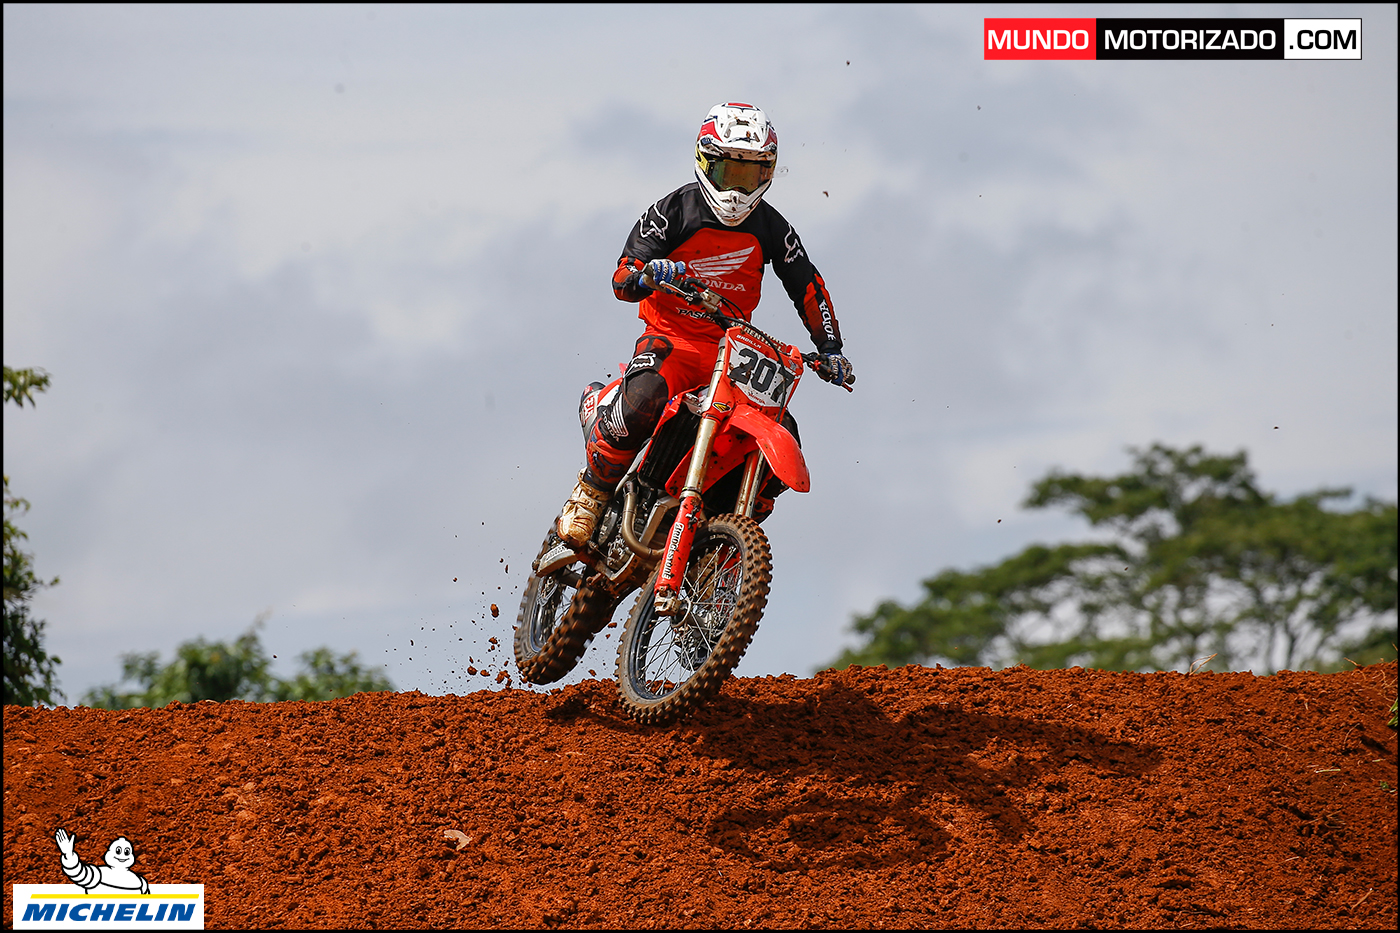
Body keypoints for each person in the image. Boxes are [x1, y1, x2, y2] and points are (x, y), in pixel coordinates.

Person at [557, 101, 854, 548]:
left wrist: (830, 348)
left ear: (767, 173)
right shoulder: (673, 211)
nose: (737, 188)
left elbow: (806, 283)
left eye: (748, 175)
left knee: (785, 432)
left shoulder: (773, 227)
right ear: (705, 161)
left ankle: (720, 544)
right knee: (644, 398)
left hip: (734, 354)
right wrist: (647, 275)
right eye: (728, 172)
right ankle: (591, 493)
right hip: (672, 340)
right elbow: (622, 277)